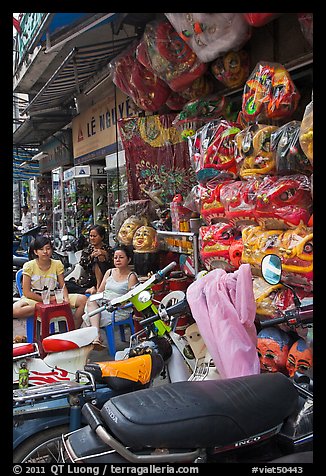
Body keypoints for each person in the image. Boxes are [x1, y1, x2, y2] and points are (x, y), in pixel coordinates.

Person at [13, 235, 87, 328]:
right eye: (41, 249)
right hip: (35, 299)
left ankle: (72, 329)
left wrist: (66, 300)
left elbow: (62, 286)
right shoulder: (29, 266)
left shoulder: (57, 264)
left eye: (48, 248)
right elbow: (27, 292)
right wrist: (44, 301)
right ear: (36, 252)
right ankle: (46, 311)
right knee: (15, 310)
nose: (45, 252)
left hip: (56, 298)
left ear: (51, 250)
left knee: (83, 300)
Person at [83, 244, 138, 348]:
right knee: (91, 301)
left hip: (118, 308)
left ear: (129, 259)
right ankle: (97, 335)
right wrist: (94, 292)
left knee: (90, 317)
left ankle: (95, 336)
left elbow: (132, 298)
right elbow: (100, 291)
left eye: (121, 257)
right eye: (115, 257)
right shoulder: (109, 272)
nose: (117, 260)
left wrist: (116, 303)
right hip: (103, 303)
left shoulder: (131, 276)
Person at [66, 225, 113, 294]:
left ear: (102, 237)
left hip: (106, 279)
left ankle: (99, 287)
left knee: (99, 257)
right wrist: (91, 256)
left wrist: (105, 254)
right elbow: (82, 264)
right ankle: (89, 290)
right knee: (65, 284)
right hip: (89, 280)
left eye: (94, 236)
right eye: (91, 236)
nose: (92, 238)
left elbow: (114, 264)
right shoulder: (87, 250)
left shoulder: (108, 249)